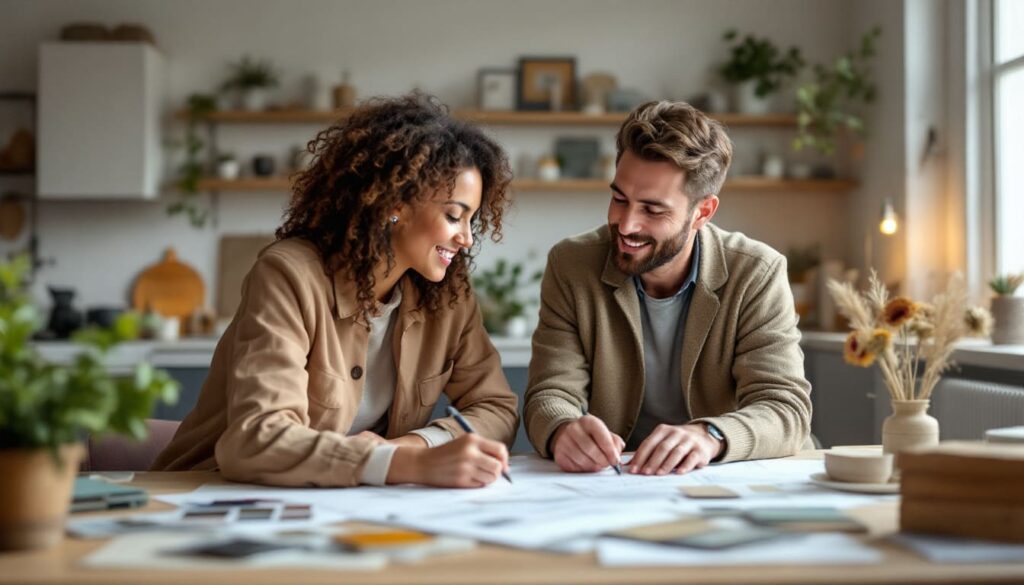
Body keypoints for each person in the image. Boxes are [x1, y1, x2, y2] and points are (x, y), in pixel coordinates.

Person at [153, 93, 518, 488]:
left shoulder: (447, 296)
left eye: (471, 221)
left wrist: (416, 446)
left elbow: (496, 407)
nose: (466, 238)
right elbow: (257, 437)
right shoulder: (289, 275)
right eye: (453, 216)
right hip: (208, 493)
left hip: (344, 502)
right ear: (395, 204)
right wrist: (403, 463)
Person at [523, 100, 812, 476]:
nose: (626, 225)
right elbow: (549, 394)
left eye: (653, 210)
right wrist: (563, 429)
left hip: (726, 478)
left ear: (702, 212)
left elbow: (785, 408)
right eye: (619, 199)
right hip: (618, 482)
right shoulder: (572, 265)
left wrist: (710, 436)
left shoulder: (757, 272)